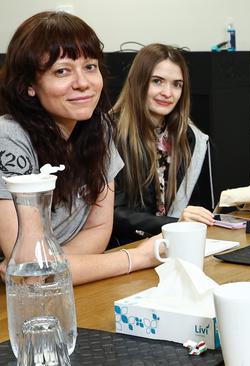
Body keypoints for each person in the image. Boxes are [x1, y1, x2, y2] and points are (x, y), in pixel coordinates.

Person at [0, 11, 159, 285]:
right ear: (29, 85)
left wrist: (50, 269)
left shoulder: (101, 129)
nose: (83, 83)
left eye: (90, 66)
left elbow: (98, 229)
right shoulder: (9, 136)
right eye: (62, 71)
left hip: (63, 289)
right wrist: (137, 258)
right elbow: (29, 266)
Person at [111, 44, 217, 246]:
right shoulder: (108, 133)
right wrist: (174, 224)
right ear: (138, 82)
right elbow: (111, 214)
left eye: (177, 84)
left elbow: (204, 208)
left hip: (177, 246)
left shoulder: (193, 138)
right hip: (124, 250)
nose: (168, 93)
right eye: (157, 81)